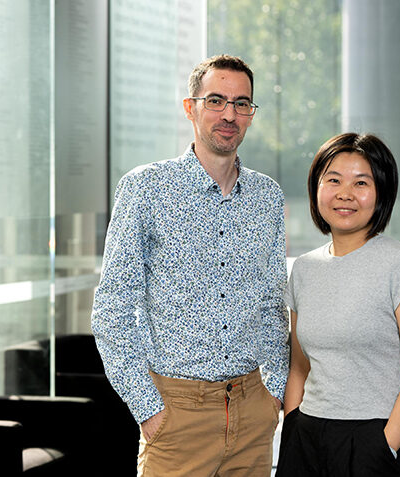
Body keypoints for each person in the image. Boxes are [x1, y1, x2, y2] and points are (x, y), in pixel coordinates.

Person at [91, 54, 288, 477]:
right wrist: (148, 409)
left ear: (252, 114)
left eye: (242, 103)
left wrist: (272, 395)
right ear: (190, 107)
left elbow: (274, 304)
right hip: (177, 415)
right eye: (216, 100)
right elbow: (112, 310)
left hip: (252, 412)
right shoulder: (146, 188)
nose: (229, 114)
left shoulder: (267, 197)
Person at [275, 133, 400, 476]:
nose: (345, 194)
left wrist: (385, 446)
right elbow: (300, 366)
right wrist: (291, 427)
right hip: (307, 436)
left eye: (361, 182)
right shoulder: (304, 269)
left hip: (376, 437)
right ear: (316, 187)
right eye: (333, 180)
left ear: (381, 192)